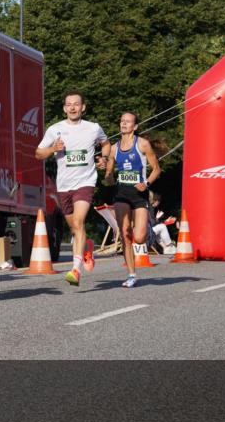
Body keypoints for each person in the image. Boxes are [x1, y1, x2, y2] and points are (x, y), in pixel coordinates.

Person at [34, 91, 110, 286]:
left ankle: (75, 269)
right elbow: (38, 153)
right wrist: (53, 149)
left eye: (76, 104)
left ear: (83, 107)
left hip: (85, 182)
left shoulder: (93, 128)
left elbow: (106, 143)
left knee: (78, 221)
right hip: (64, 185)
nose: (73, 107)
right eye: (69, 104)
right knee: (75, 228)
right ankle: (87, 247)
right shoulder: (55, 129)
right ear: (64, 108)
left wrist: (104, 158)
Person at [104, 112, 160, 288]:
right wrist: (108, 176)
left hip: (139, 195)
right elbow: (109, 177)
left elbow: (156, 169)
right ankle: (131, 275)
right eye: (122, 121)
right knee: (125, 234)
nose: (124, 124)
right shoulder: (114, 148)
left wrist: (146, 183)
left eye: (128, 122)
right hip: (121, 194)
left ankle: (148, 230)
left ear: (135, 126)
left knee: (139, 238)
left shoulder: (142, 144)